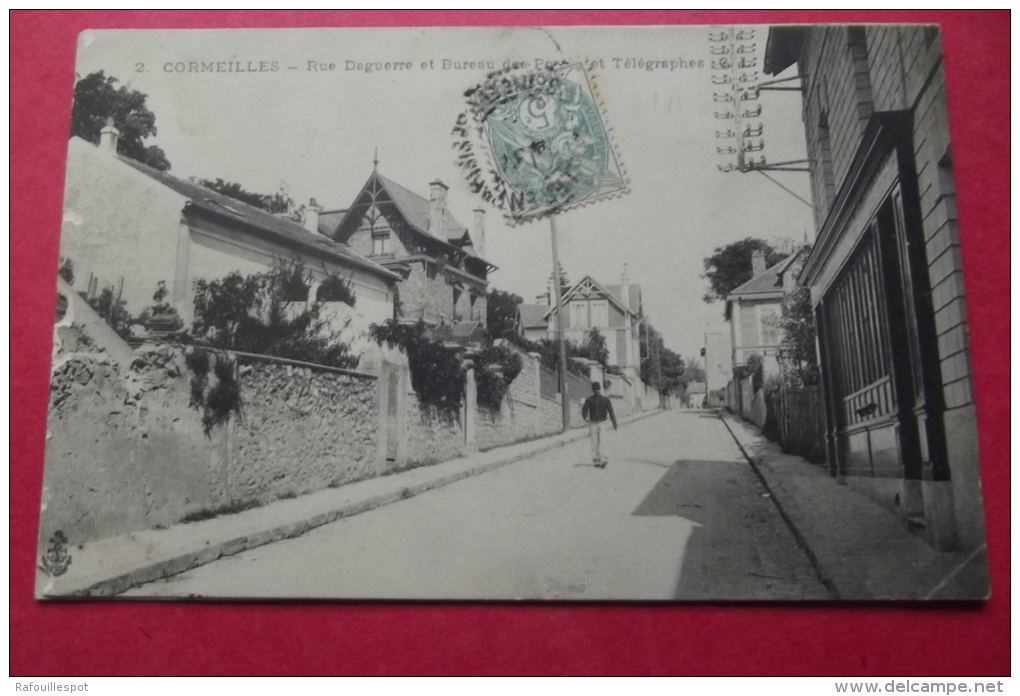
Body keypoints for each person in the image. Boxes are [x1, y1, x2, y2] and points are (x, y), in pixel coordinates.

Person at [581, 381, 617, 468]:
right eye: (596, 389)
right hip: (593, 423)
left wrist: (614, 423)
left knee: (603, 439)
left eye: (598, 389)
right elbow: (584, 410)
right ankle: (596, 459)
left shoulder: (606, 399)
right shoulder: (589, 400)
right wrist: (585, 417)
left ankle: (604, 458)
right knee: (594, 441)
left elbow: (611, 411)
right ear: (593, 390)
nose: (597, 391)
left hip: (603, 422)